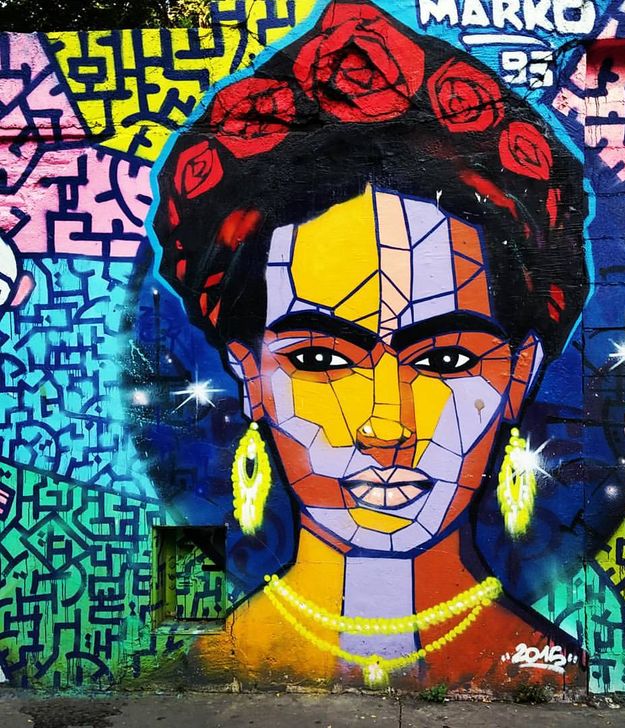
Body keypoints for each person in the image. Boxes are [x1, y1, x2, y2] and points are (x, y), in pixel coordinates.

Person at [153, 0, 587, 690]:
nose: (386, 427)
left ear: (520, 373)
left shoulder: (552, 672)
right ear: (249, 374)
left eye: (445, 360)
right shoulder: (205, 667)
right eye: (320, 359)